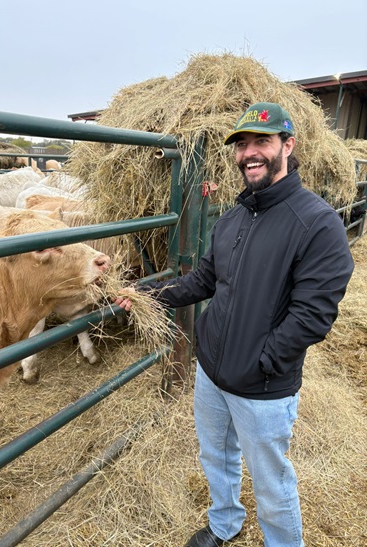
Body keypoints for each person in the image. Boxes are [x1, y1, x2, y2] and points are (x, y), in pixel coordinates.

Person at [115, 102, 354, 546]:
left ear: (288, 145)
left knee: (271, 481)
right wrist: (147, 296)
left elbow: (314, 315)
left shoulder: (316, 223)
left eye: (261, 141)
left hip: (262, 387)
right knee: (216, 456)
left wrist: (264, 361)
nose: (249, 153)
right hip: (211, 372)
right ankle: (225, 524)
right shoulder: (233, 217)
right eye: (242, 145)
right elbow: (205, 280)